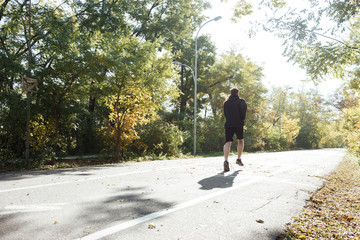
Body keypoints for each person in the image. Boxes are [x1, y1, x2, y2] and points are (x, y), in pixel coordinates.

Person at [223, 88, 247, 172]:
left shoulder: (226, 103)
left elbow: (225, 114)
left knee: (228, 142)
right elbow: (244, 111)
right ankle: (238, 159)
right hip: (238, 123)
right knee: (240, 140)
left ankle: (226, 161)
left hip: (228, 123)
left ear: (230, 93)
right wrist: (242, 119)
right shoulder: (241, 101)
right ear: (237, 93)